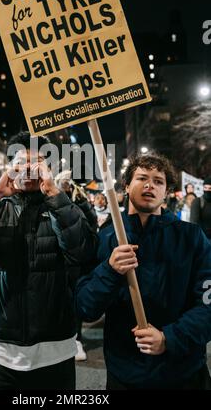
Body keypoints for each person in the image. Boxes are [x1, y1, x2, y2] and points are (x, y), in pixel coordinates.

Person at [0, 131, 97, 390]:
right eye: (21, 163)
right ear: (10, 168)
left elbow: (83, 252)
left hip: (55, 351)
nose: (29, 169)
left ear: (49, 168)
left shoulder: (64, 205)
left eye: (37, 162)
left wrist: (55, 196)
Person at [76, 153, 211, 390]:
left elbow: (208, 305)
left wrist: (170, 338)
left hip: (185, 374)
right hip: (126, 376)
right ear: (127, 186)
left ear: (166, 192)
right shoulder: (106, 239)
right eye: (142, 178)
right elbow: (85, 307)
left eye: (158, 181)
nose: (150, 185)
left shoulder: (191, 238)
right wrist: (110, 270)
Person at [55, 170, 97, 361]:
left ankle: (77, 338)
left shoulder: (79, 199)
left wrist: (81, 201)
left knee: (75, 302)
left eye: (68, 184)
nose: (65, 187)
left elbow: (92, 224)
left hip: (76, 262)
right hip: (54, 260)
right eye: (62, 184)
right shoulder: (49, 198)